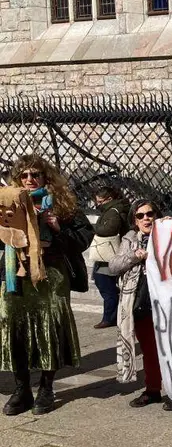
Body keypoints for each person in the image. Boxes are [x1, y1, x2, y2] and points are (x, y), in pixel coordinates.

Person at [1, 155, 93, 416]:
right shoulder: (7, 201)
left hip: (51, 274)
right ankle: (22, 390)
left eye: (35, 175)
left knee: (49, 327)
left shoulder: (61, 205)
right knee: (13, 325)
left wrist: (57, 228)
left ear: (45, 177)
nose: (30, 180)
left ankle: (46, 389)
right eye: (24, 176)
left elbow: (84, 237)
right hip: (14, 274)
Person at [107, 199, 172, 411]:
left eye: (150, 214)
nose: (146, 218)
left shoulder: (168, 232)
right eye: (140, 216)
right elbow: (114, 266)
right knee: (149, 349)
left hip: (167, 302)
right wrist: (134, 256)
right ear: (134, 220)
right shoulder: (130, 239)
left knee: (171, 349)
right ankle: (153, 390)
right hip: (140, 301)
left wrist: (171, 229)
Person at [90, 186, 130, 329]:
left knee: (106, 287)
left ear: (109, 199)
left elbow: (110, 229)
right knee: (107, 286)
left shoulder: (113, 211)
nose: (98, 205)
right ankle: (113, 315)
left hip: (108, 254)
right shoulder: (115, 209)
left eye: (100, 202)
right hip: (108, 254)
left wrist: (94, 229)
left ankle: (109, 317)